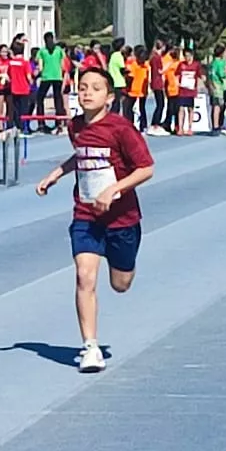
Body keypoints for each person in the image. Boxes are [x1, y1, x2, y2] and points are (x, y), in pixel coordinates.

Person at [34, 64, 155, 374]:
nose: (87, 93)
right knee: (84, 277)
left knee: (120, 284)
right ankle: (90, 347)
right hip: (86, 214)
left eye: (95, 88)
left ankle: (126, 265)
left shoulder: (121, 129)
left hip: (122, 218)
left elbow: (146, 168)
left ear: (109, 97)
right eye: (82, 87)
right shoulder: (75, 127)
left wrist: (114, 189)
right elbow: (84, 155)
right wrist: (57, 173)